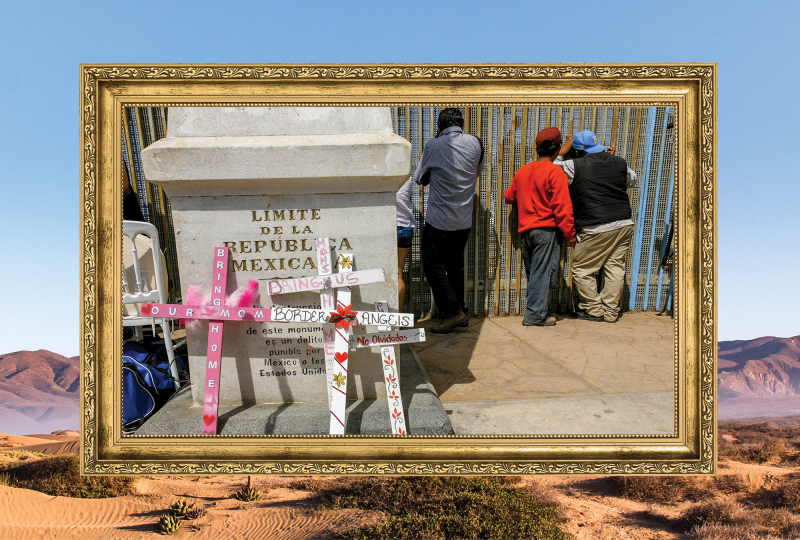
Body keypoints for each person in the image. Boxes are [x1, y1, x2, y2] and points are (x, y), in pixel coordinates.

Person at [554, 129, 637, 323]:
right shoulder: (619, 162)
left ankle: (593, 310)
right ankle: (610, 312)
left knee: (582, 269)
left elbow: (551, 170)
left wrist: (561, 151)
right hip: (624, 223)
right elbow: (632, 181)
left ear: (575, 152)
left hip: (596, 225)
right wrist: (611, 160)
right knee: (615, 266)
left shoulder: (573, 165)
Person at [415, 108, 484, 334]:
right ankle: (458, 311)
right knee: (455, 266)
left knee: (432, 266)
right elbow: (476, 173)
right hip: (462, 220)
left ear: (439, 127)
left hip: (439, 220)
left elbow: (419, 178)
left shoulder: (433, 145)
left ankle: (453, 311)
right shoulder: (476, 143)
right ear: (462, 125)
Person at [504, 127, 576, 326]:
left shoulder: (523, 171)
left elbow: (509, 196)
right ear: (558, 147)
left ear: (537, 148)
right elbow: (562, 206)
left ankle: (539, 310)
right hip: (546, 230)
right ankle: (535, 315)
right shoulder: (555, 172)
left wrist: (527, 192)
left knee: (536, 273)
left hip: (526, 231)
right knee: (543, 273)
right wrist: (570, 233)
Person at [396, 176, 416, 313]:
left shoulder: (377, 176)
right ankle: (398, 319)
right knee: (398, 275)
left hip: (387, 227)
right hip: (405, 228)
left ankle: (384, 319)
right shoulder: (406, 177)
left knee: (382, 275)